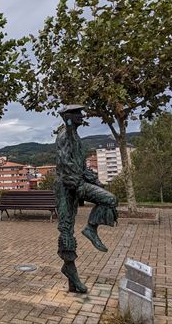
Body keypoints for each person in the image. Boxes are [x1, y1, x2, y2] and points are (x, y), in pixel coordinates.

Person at [55, 104, 118, 293]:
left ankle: (91, 228)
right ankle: (70, 270)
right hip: (66, 187)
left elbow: (80, 166)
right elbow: (64, 164)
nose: (82, 116)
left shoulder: (76, 138)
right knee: (66, 229)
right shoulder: (64, 136)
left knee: (110, 200)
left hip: (77, 183)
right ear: (68, 117)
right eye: (77, 114)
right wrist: (80, 185)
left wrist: (94, 180)